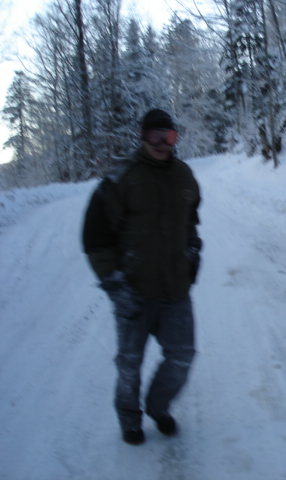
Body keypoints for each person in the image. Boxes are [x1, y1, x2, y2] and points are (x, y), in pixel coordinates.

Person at [82, 109, 202, 445]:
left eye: (169, 136)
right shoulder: (121, 179)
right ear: (142, 136)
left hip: (175, 290)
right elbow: (95, 238)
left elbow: (191, 222)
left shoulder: (184, 176)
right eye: (154, 136)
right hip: (133, 291)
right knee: (129, 363)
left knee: (182, 356)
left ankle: (158, 407)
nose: (162, 143)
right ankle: (129, 420)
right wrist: (113, 282)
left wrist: (193, 251)